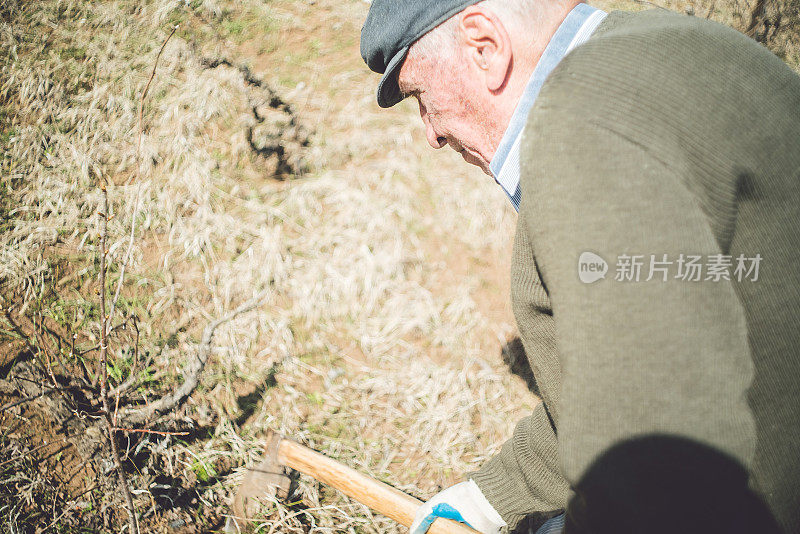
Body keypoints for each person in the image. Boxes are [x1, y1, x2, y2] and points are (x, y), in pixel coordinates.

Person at [360, 0, 800, 533]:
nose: (430, 134)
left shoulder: (585, 128)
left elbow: (647, 452)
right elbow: (625, 365)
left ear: (485, 48)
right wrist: (493, 497)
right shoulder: (651, 49)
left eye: (422, 98)